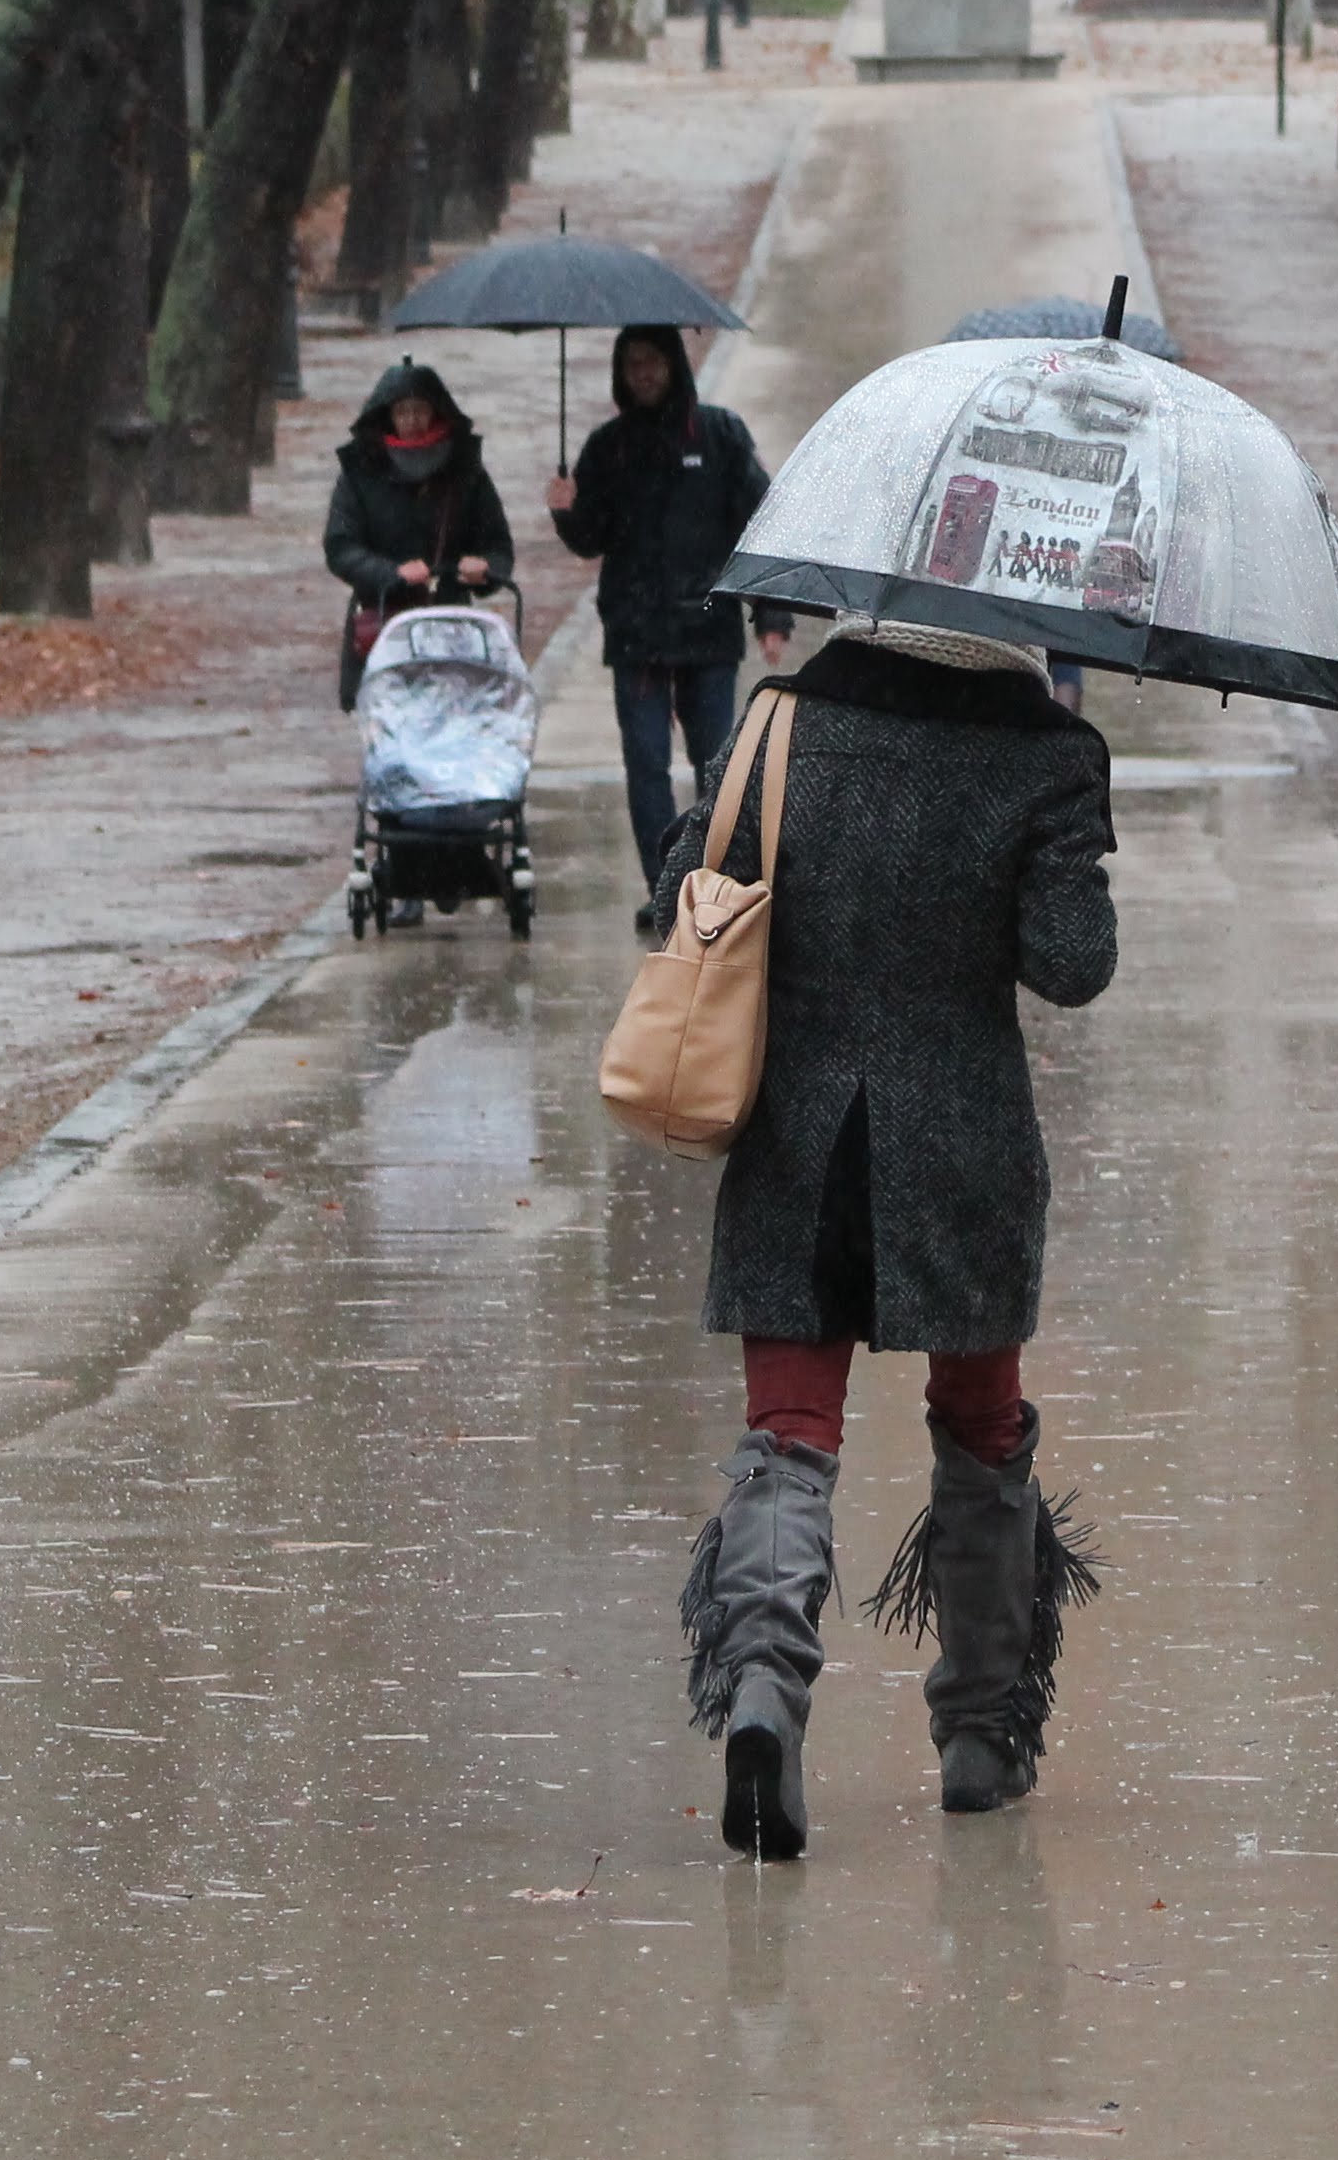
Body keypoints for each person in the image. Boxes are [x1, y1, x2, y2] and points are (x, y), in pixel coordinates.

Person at [664, 620, 1116, 1861]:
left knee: (790, 1432)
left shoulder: (777, 723)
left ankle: (763, 1688)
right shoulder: (1047, 755)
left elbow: (677, 900)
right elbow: (1073, 967)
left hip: (795, 1144)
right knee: (982, 1423)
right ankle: (982, 1734)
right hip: (959, 1153)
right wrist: (1068, 846)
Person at [546, 324, 788, 929]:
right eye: (633, 364)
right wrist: (565, 512)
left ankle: (710, 883)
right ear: (621, 373)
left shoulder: (721, 435)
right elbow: (590, 537)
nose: (645, 374)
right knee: (647, 763)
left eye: (654, 362)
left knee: (716, 765)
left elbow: (758, 523)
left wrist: (771, 615)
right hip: (637, 636)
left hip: (706, 630)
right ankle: (663, 887)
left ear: (674, 366)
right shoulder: (609, 447)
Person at [322, 361, 513, 714]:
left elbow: (499, 547)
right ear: (388, 415)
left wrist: (483, 569)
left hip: (452, 629)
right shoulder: (360, 470)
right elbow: (340, 547)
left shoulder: (465, 469)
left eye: (420, 410)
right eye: (403, 411)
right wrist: (391, 574)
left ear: (436, 411)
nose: (412, 420)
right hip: (383, 621)